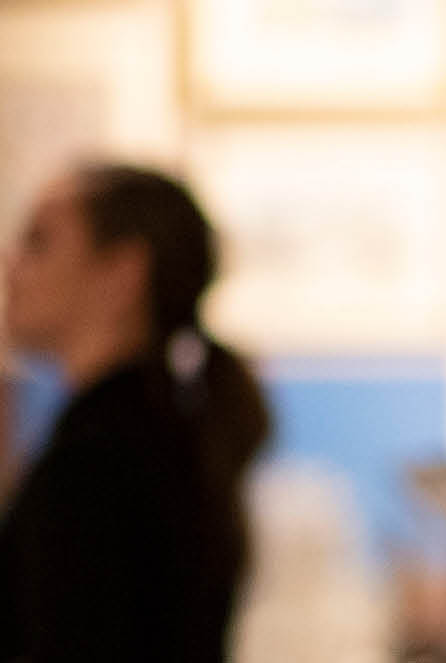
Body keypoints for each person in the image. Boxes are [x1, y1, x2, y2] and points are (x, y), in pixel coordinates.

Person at [0, 165, 272, 661]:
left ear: (123, 274)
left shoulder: (98, 465)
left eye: (39, 243)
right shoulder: (160, 438)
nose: (10, 264)